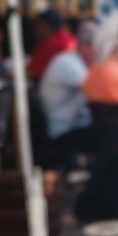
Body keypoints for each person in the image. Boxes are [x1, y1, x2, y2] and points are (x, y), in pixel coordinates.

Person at [39, 21, 96, 170]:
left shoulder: (79, 63)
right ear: (85, 46)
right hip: (64, 131)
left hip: (74, 126)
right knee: (110, 136)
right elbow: (95, 91)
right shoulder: (68, 63)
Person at [27, 11, 77, 81]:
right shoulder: (71, 38)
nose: (36, 30)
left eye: (38, 26)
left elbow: (30, 73)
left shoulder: (50, 43)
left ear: (44, 25)